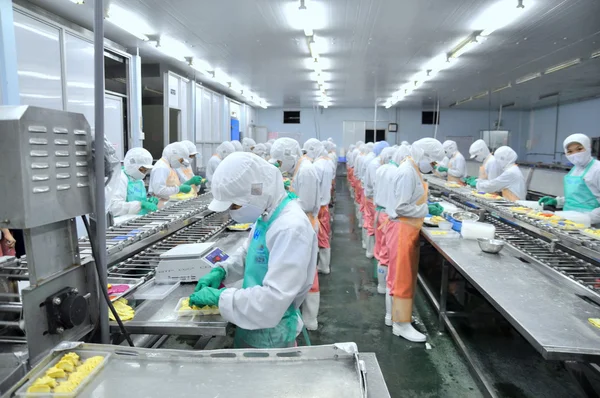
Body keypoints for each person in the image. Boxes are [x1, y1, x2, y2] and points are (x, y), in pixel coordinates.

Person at [189, 152, 318, 348]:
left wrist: (220, 298)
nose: (232, 210)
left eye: (235, 204)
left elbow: (273, 299)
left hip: (272, 334)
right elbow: (249, 252)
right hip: (253, 323)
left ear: (256, 192)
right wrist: (223, 270)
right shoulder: (268, 214)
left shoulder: (290, 227)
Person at [385, 138, 445, 342]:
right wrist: (426, 210)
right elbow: (401, 207)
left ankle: (394, 319)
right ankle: (401, 324)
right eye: (433, 162)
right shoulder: (407, 172)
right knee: (401, 278)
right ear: (424, 156)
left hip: (407, 228)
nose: (433, 166)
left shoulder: (413, 169)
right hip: (402, 228)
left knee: (400, 276)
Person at [274, 138, 321, 330]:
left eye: (279, 161)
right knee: (300, 270)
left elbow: (307, 204)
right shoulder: (299, 168)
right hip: (300, 223)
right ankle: (304, 316)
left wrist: (286, 200)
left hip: (306, 224)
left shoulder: (307, 170)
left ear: (289, 155)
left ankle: (311, 319)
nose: (279, 165)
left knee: (308, 272)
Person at [539, 134, 600, 225]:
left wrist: (586, 218)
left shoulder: (597, 169)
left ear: (588, 147)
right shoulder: (574, 169)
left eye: (579, 149)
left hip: (591, 226)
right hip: (569, 223)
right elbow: (576, 198)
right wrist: (557, 201)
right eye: (570, 151)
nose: (575, 154)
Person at [373, 146, 398, 297]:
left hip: (379, 211)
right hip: (388, 216)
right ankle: (384, 286)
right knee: (387, 253)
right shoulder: (396, 172)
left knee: (380, 248)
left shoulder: (381, 169)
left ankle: (381, 285)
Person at [307, 140, 334, 275]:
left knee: (321, 236)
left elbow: (312, 187)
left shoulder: (317, 165)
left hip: (319, 206)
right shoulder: (327, 162)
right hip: (324, 204)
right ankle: (323, 264)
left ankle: (324, 265)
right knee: (323, 234)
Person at [108, 147, 156, 217]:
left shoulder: (139, 181)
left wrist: (148, 201)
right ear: (132, 165)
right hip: (122, 222)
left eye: (146, 170)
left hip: (137, 219)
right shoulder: (120, 178)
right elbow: (114, 207)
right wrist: (140, 205)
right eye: (143, 169)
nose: (144, 172)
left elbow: (138, 200)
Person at [363, 141, 389, 259]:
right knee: (373, 224)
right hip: (372, 198)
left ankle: (372, 250)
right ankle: (370, 250)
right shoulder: (375, 165)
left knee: (372, 223)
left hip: (373, 197)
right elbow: (376, 185)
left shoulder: (377, 164)